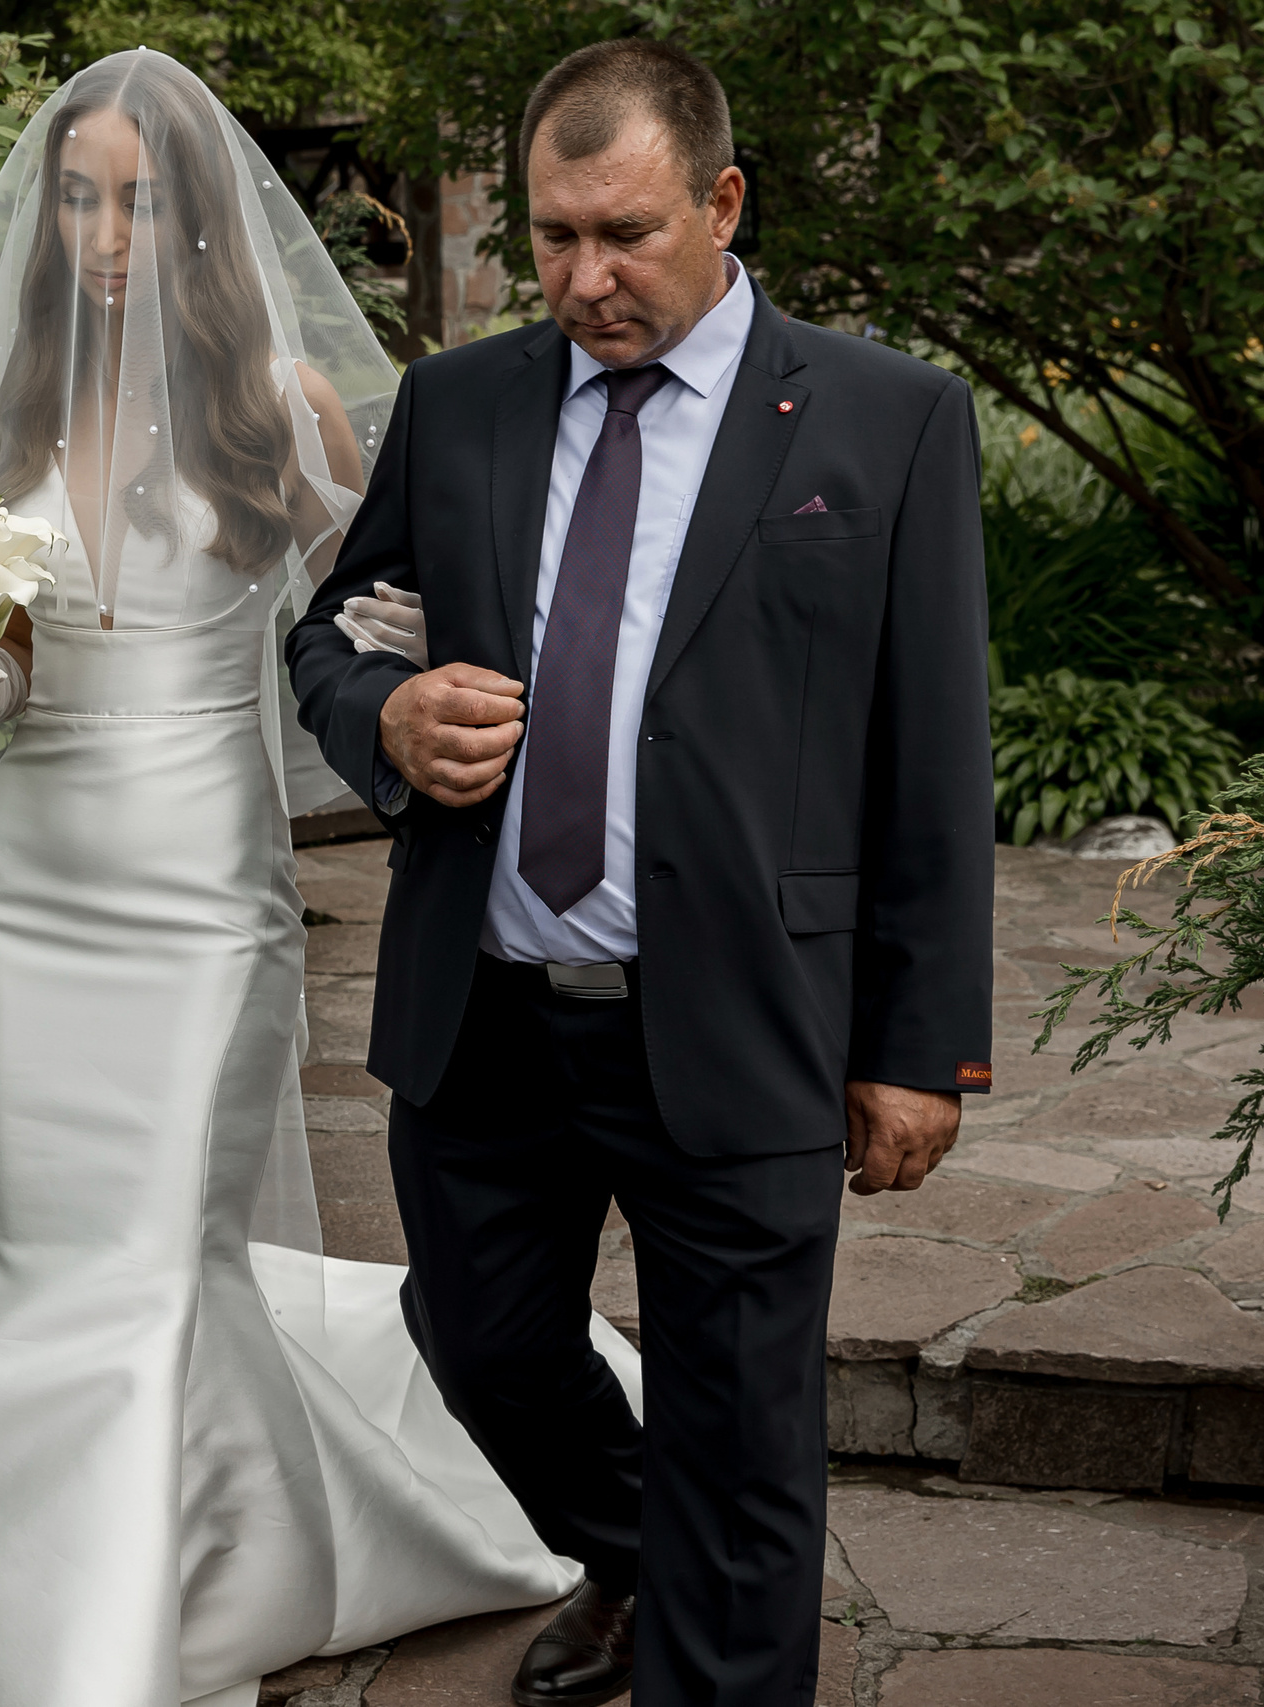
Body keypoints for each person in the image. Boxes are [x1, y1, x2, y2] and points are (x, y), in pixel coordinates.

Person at [0, 48, 642, 1707]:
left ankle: (116, 1617)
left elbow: (363, 626)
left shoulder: (281, 397)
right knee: (52, 1249)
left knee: (150, 1248)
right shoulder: (19, 406)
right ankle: (23, 1565)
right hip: (35, 890)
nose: (106, 232)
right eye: (78, 196)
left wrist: (437, 729)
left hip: (201, 890)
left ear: (199, 214)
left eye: (138, 198)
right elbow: (0, 675)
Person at [288, 39, 993, 1707]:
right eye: (553, 240)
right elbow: (336, 630)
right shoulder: (458, 406)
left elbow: (934, 754)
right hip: (490, 1014)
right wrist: (385, 715)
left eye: (627, 235)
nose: (587, 279)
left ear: (723, 203)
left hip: (745, 1018)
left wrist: (919, 1043)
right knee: (483, 1350)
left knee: (748, 1447)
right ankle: (633, 1553)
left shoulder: (888, 419)